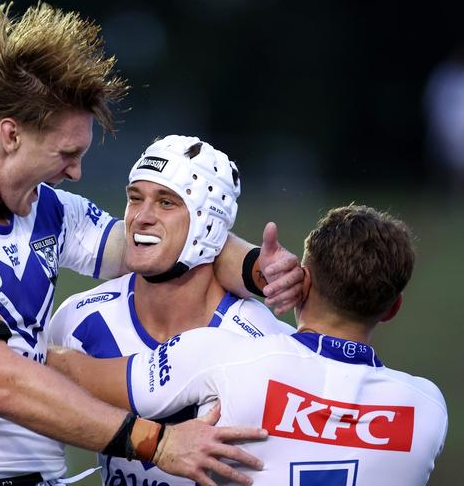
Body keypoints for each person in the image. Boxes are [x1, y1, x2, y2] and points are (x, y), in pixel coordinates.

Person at [0, 2, 304, 486]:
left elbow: (155, 244)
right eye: (67, 153)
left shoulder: (46, 210)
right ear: (10, 135)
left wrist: (260, 268)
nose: (76, 173)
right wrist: (158, 442)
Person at [49, 205, 448, 485]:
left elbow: (73, 372)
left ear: (301, 282)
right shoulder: (427, 410)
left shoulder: (223, 356)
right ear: (393, 308)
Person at [48, 134, 294, 486]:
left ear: (207, 224)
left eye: (166, 203)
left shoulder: (262, 342)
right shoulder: (78, 319)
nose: (141, 217)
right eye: (135, 199)